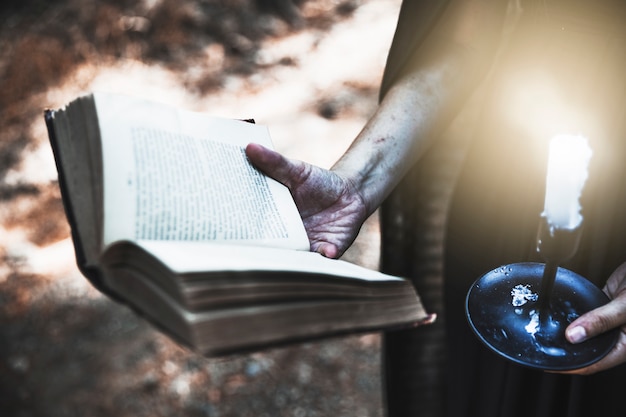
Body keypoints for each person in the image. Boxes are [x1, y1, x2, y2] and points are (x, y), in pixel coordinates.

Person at [246, 0, 626, 416]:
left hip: (615, 230)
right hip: (502, 193)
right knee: (473, 382)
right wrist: (356, 184)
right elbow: (464, 40)